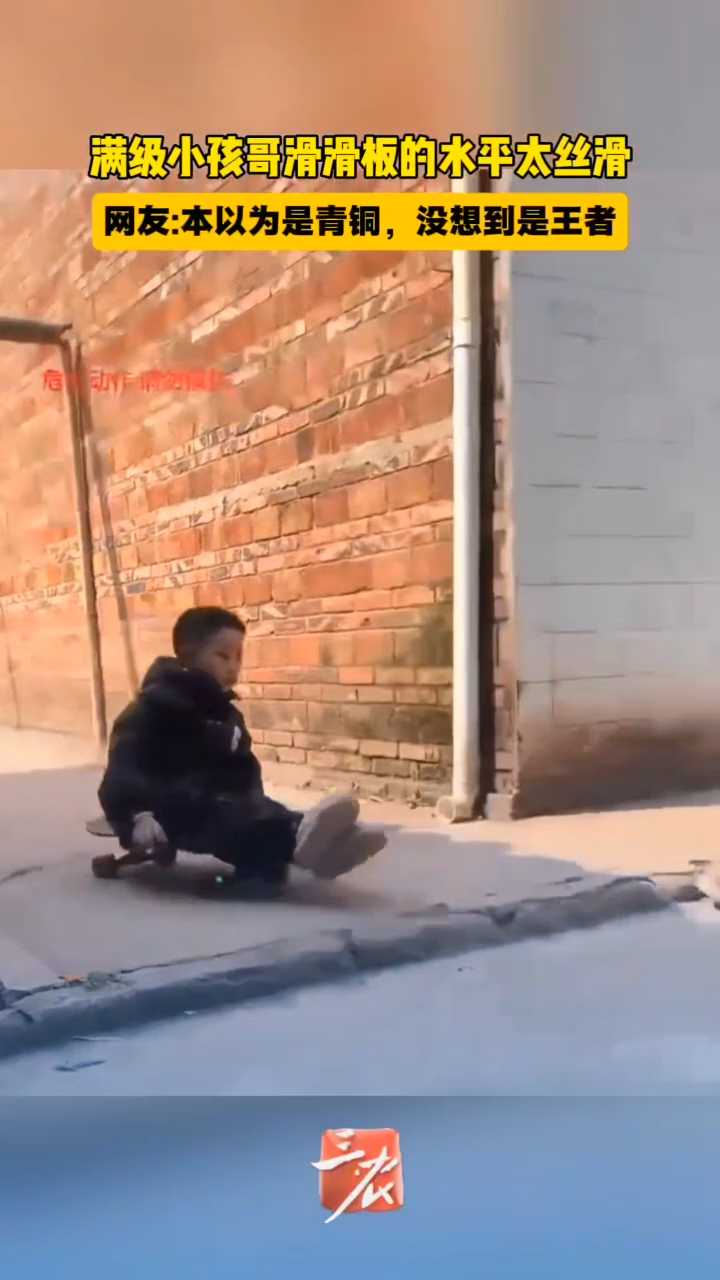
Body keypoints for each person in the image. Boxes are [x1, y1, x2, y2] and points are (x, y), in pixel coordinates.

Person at [97, 606, 386, 889]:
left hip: (216, 804)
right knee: (234, 821)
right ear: (187, 655)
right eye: (223, 656)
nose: (233, 667)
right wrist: (138, 816)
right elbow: (124, 768)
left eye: (238, 657)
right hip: (165, 811)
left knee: (262, 815)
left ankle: (324, 846)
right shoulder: (154, 708)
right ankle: (301, 844)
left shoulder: (225, 713)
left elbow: (244, 767)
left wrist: (254, 801)